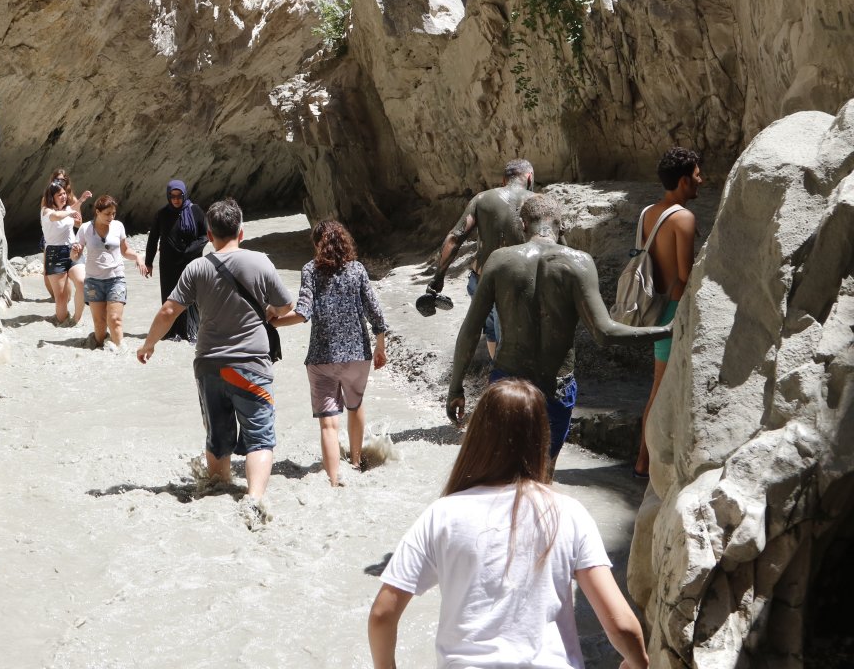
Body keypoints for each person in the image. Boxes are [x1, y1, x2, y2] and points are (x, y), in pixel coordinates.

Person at [368, 379, 650, 669]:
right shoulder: (569, 513)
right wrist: (637, 662)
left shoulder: (443, 514)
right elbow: (621, 625)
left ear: (478, 437)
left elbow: (382, 615)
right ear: (541, 439)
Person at [447, 195, 671, 467]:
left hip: (508, 383)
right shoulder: (579, 263)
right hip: (556, 387)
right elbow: (605, 332)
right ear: (561, 226)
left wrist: (455, 388)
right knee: (542, 471)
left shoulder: (499, 260)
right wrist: (667, 330)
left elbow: (470, 330)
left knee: (502, 470)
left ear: (522, 224)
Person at [137, 199, 293, 526]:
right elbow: (284, 306)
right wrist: (266, 314)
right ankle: (254, 498)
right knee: (260, 437)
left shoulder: (197, 267)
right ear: (242, 230)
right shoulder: (260, 262)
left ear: (209, 234)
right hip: (250, 365)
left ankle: (217, 491)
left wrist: (148, 344)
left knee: (218, 436)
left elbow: (169, 311)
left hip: (209, 365)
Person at [270, 220, 388, 486]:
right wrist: (380, 346)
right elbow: (375, 312)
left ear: (316, 245)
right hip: (358, 354)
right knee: (355, 405)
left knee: (328, 424)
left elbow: (302, 313)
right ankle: (356, 464)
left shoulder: (310, 270)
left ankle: (334, 480)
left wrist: (273, 321)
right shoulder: (357, 270)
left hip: (322, 358)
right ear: (345, 242)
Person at [632, 147, 702, 479]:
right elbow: (686, 273)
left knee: (657, 385)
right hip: (672, 310)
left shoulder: (649, 212)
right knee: (659, 387)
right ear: (685, 180)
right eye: (698, 174)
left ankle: (644, 459)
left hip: (652, 306)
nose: (702, 180)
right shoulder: (683, 218)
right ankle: (643, 462)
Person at [430, 159, 537, 358]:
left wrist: (438, 277)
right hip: (516, 283)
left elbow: (454, 238)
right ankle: (503, 380)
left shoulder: (482, 199)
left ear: (504, 179)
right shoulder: (537, 202)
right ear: (529, 177)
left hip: (480, 280)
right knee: (510, 337)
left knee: (490, 330)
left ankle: (495, 376)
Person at [77, 195, 147, 349]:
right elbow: (75, 255)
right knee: (100, 324)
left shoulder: (118, 226)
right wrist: (74, 251)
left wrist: (137, 256)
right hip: (94, 281)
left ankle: (122, 353)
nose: (111, 217)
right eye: (107, 213)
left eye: (113, 213)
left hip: (116, 278)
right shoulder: (85, 229)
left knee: (115, 319)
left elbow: (125, 250)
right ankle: (100, 348)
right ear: (97, 211)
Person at [144, 179, 209, 342]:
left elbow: (206, 235)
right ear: (168, 196)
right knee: (170, 296)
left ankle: (192, 331)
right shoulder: (162, 214)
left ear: (184, 194)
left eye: (179, 196)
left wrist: (191, 250)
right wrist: (148, 262)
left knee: (192, 296)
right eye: (172, 196)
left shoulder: (195, 211)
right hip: (168, 263)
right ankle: (171, 332)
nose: (176, 199)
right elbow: (153, 239)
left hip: (192, 261)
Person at [39, 174, 91, 326]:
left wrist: (80, 201)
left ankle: (77, 319)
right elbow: (56, 215)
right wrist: (70, 212)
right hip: (55, 255)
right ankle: (62, 320)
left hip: (73, 250)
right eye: (59, 195)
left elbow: (72, 212)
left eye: (64, 194)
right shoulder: (46, 211)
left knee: (82, 282)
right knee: (61, 298)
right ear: (51, 198)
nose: (63, 196)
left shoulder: (67, 208)